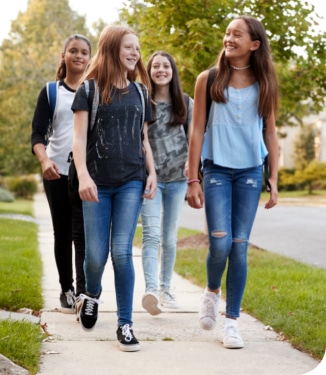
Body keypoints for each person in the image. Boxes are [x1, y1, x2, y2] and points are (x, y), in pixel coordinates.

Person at [186, 15, 279, 349]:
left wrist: (274, 177)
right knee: (221, 243)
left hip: (251, 172)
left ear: (254, 44)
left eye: (236, 34)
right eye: (227, 33)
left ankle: (232, 322)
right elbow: (196, 130)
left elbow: (270, 131)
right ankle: (212, 291)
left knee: (240, 247)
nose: (229, 38)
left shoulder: (265, 81)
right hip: (216, 170)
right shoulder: (208, 79)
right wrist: (192, 177)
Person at [71, 25, 157, 352]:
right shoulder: (89, 90)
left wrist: (152, 173)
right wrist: (83, 176)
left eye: (137, 48)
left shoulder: (141, 93)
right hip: (96, 182)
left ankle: (125, 324)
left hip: (131, 181)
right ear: (111, 50)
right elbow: (79, 139)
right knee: (96, 255)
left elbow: (144, 139)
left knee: (121, 251)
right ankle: (91, 293)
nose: (135, 54)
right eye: (128, 48)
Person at [31, 34, 92, 313]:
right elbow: (37, 133)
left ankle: (83, 291)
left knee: (83, 233)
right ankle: (66, 289)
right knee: (63, 232)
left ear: (91, 58)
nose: (79, 56)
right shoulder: (50, 91)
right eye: (73, 51)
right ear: (64, 55)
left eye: (84, 52)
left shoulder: (95, 90)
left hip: (85, 173)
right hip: (56, 171)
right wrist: (44, 161)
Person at [140, 51, 193, 315]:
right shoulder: (143, 102)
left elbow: (195, 139)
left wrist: (192, 166)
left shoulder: (185, 103)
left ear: (173, 71)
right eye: (156, 66)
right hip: (151, 180)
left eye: (166, 66)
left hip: (177, 180)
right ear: (149, 71)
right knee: (151, 234)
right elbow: (141, 140)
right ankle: (151, 290)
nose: (161, 70)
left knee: (169, 237)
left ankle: (166, 288)